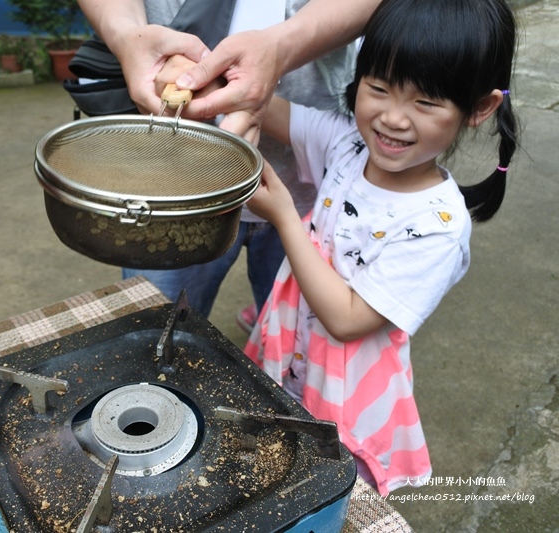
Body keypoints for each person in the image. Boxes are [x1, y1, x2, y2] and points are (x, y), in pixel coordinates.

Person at [243, 0, 518, 495]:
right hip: (295, 356)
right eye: (378, 89)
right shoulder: (347, 146)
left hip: (350, 395)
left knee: (328, 487)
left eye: (426, 102)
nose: (393, 118)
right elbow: (268, 106)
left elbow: (348, 320)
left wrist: (285, 215)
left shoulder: (437, 225)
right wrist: (220, 75)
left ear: (480, 108)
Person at [78, 0, 381, 323]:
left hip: (311, 174)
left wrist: (283, 47)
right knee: (151, 333)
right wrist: (126, 36)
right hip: (170, 181)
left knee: (299, 341)